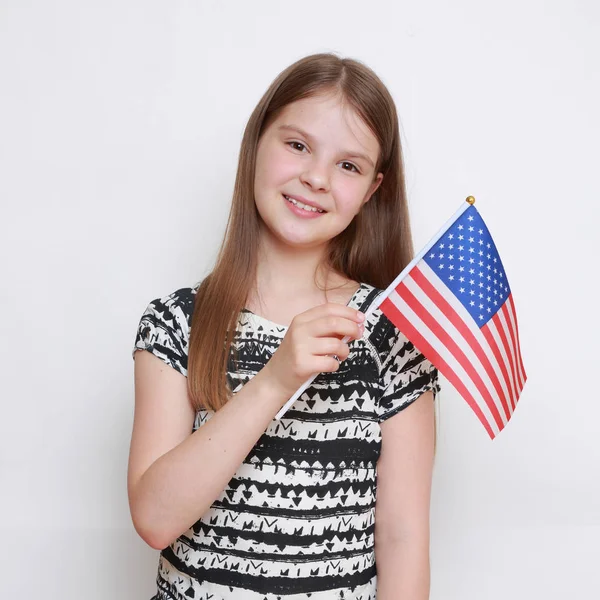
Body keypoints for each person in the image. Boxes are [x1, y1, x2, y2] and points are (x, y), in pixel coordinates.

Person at [129, 52, 441, 600]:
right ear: (256, 145)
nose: (316, 177)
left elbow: (403, 536)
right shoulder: (176, 323)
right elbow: (155, 518)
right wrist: (274, 379)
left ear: (371, 190)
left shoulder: (393, 335)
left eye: (349, 165)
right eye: (297, 145)